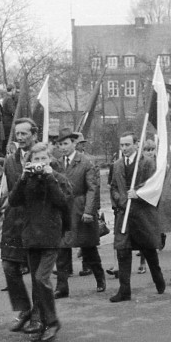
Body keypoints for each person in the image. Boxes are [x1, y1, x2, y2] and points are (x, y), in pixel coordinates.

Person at [8, 142, 69, 341]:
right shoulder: (27, 180)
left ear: (50, 160)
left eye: (44, 159)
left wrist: (49, 177)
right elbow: (14, 201)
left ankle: (52, 322)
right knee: (36, 281)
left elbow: (62, 202)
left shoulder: (58, 178)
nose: (40, 163)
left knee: (42, 278)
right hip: (31, 236)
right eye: (36, 159)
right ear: (30, 161)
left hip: (51, 236)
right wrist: (24, 177)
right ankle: (41, 321)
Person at [109, 131, 166, 300]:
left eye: (127, 145)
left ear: (136, 144)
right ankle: (124, 290)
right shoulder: (117, 164)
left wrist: (139, 193)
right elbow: (113, 188)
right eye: (122, 145)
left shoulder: (147, 163)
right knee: (122, 251)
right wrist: (121, 199)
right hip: (123, 214)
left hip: (142, 214)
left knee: (148, 250)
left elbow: (154, 186)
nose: (124, 148)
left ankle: (158, 278)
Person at [0, 118, 43, 334]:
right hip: (14, 222)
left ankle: (38, 314)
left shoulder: (43, 157)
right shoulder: (10, 161)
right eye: (18, 134)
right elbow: (7, 191)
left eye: (25, 133)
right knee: (9, 266)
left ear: (34, 134)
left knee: (36, 272)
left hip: (36, 222)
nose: (21, 138)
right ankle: (24, 309)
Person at [54, 127, 107, 297]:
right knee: (62, 250)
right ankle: (61, 287)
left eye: (66, 143)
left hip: (80, 208)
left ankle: (100, 278)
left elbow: (92, 188)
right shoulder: (56, 163)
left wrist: (89, 211)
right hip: (63, 210)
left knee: (88, 247)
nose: (63, 147)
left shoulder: (85, 162)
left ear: (74, 144)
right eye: (60, 144)